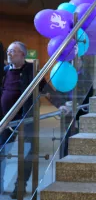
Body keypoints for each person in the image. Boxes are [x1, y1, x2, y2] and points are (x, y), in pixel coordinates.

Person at [0, 41, 46, 198]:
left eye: (13, 51)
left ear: (23, 54)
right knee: (1, 152)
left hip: (25, 121)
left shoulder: (32, 70)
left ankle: (19, 187)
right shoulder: (5, 71)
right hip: (5, 120)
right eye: (8, 51)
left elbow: (46, 89)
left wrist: (61, 104)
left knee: (26, 155)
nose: (9, 53)